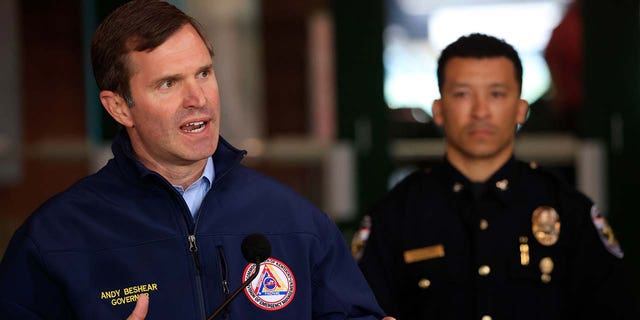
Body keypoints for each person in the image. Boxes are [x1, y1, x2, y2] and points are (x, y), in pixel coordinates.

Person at [0, 1, 392, 319]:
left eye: (203, 73)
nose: (198, 99)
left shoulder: (295, 220)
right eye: (169, 83)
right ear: (119, 107)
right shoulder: (54, 239)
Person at [357, 33, 637, 319]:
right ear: (439, 111)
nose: (480, 112)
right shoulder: (395, 216)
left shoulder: (568, 211)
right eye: (462, 94)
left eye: (497, 94)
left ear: (520, 110)